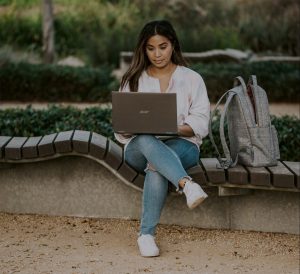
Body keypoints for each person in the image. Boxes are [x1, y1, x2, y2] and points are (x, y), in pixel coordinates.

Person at [114, 20, 210, 257]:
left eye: (163, 46)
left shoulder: (192, 78)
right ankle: (187, 185)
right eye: (151, 48)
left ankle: (146, 236)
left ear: (173, 45)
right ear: (143, 49)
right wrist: (137, 126)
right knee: (147, 139)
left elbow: (200, 124)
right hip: (139, 147)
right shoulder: (134, 79)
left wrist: (171, 128)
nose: (157, 54)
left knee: (156, 165)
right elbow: (121, 131)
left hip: (183, 146)